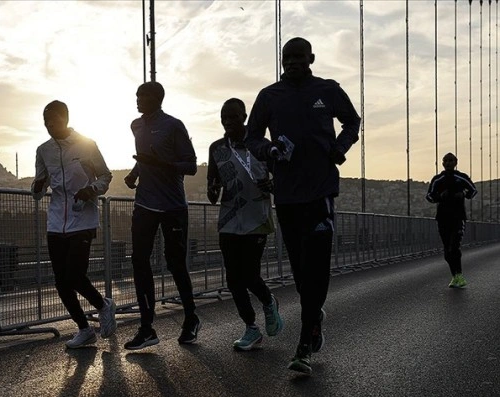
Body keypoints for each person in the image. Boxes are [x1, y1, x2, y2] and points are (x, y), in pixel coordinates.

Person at [246, 37, 361, 374]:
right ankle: (315, 317)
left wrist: (340, 148)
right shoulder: (269, 96)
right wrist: (269, 151)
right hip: (287, 195)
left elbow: (353, 121)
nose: (293, 62)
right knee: (300, 271)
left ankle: (304, 345)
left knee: (318, 266)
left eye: (299, 56)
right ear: (282, 61)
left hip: (322, 191)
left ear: (311, 57)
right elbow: (252, 137)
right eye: (287, 57)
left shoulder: (327, 89)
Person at [31, 100, 117, 349]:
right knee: (60, 280)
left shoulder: (86, 144)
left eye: (54, 120)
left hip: (83, 218)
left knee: (75, 276)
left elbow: (106, 176)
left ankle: (103, 306)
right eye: (45, 121)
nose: (49, 125)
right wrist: (36, 187)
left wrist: (92, 189)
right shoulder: (43, 150)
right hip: (56, 221)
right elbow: (39, 188)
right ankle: (83, 328)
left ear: (66, 119)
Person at [122, 81, 200, 350]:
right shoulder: (136, 125)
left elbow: (191, 165)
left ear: (158, 98)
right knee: (139, 261)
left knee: (175, 263)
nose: (138, 100)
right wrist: (135, 173)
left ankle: (191, 318)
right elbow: (144, 157)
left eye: (144, 96)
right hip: (144, 203)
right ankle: (146, 327)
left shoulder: (173, 125)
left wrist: (163, 165)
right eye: (137, 95)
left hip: (172, 206)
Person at [207, 98, 284, 351]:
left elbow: (282, 175)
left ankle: (268, 300)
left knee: (249, 275)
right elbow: (212, 188)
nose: (228, 122)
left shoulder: (260, 145)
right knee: (233, 279)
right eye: (224, 117)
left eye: (233, 117)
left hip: (256, 219)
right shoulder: (217, 148)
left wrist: (273, 184)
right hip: (229, 220)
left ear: (244, 116)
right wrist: (213, 189)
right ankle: (251, 328)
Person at [425, 152, 477, 288]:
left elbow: (473, 191)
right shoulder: (438, 179)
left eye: (451, 160)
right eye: (446, 160)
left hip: (458, 217)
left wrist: (464, 194)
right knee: (447, 251)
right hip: (442, 218)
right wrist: (440, 196)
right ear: (442, 163)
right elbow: (429, 196)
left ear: (456, 162)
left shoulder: (462, 177)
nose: (448, 163)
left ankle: (459, 275)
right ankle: (454, 276)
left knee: (454, 246)